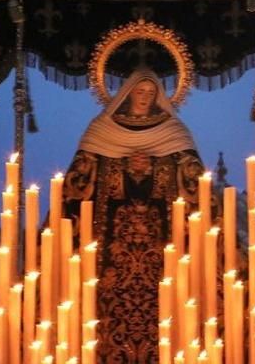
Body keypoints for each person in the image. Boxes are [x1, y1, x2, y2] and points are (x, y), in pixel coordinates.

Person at [62, 69, 205, 362]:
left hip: (163, 248)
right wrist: (122, 168)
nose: (145, 98)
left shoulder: (173, 132)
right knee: (103, 313)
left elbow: (194, 179)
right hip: (108, 250)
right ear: (126, 94)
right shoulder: (101, 130)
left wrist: (154, 167)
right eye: (140, 93)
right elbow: (78, 182)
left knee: (166, 310)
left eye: (151, 94)